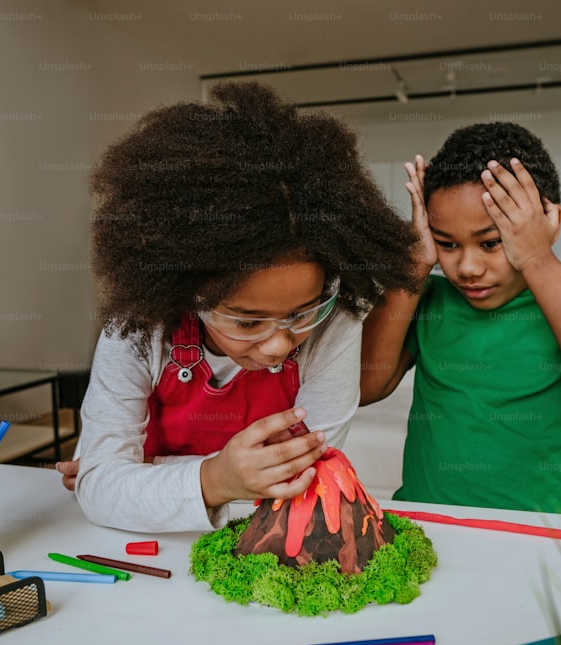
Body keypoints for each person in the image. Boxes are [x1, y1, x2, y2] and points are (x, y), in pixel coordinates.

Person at [55, 82, 419, 532]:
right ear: (188, 293)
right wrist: (213, 478)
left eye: (302, 313)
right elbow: (98, 486)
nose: (279, 345)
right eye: (248, 321)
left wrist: (148, 474)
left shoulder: (335, 318)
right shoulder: (138, 329)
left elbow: (307, 474)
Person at [360, 122, 561, 515]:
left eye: (490, 242)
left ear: (548, 222)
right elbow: (363, 386)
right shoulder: (428, 299)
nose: (467, 267)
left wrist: (538, 258)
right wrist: (415, 261)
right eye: (446, 243)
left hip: (542, 541)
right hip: (428, 528)